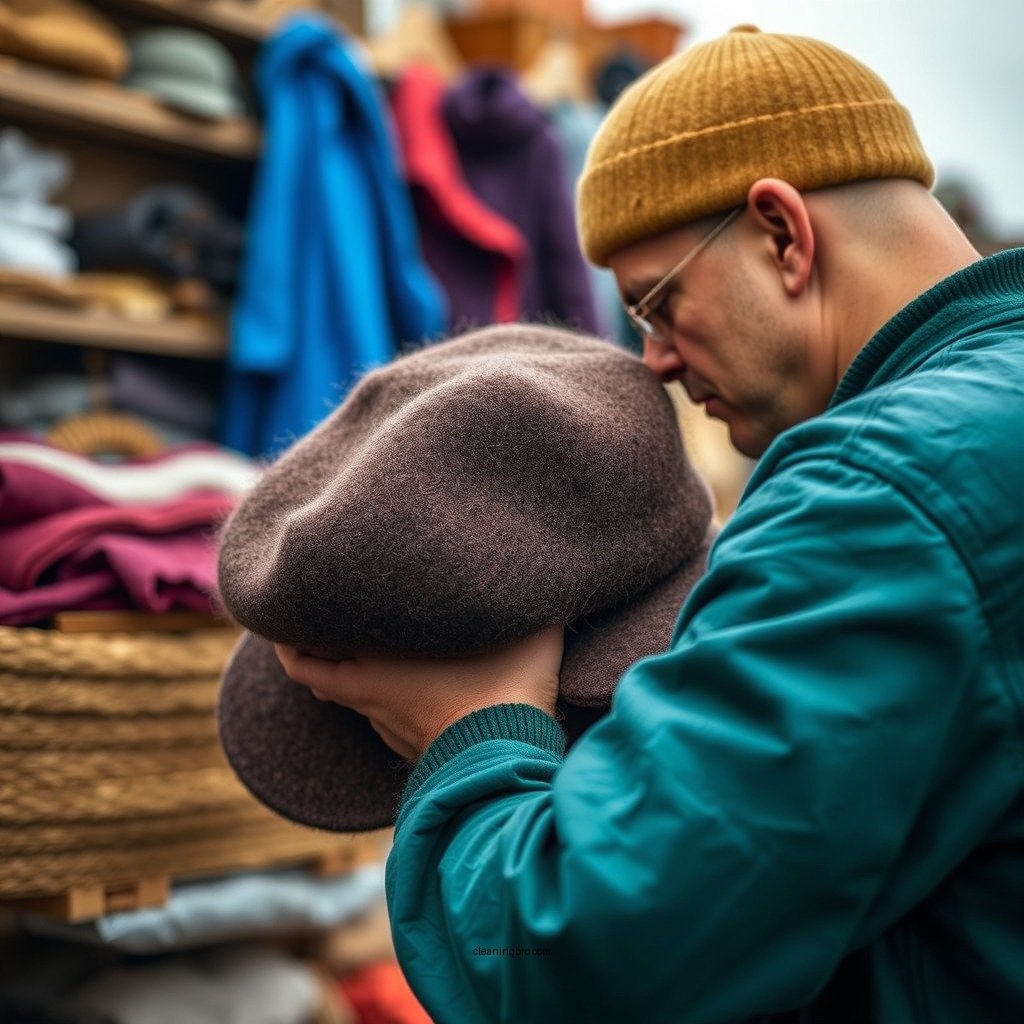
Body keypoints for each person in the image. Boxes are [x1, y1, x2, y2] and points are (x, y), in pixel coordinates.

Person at [273, 27, 1024, 1022]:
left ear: (781, 233)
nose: (656, 362)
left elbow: (585, 953)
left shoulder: (877, 491)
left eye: (656, 304)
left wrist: (468, 729)